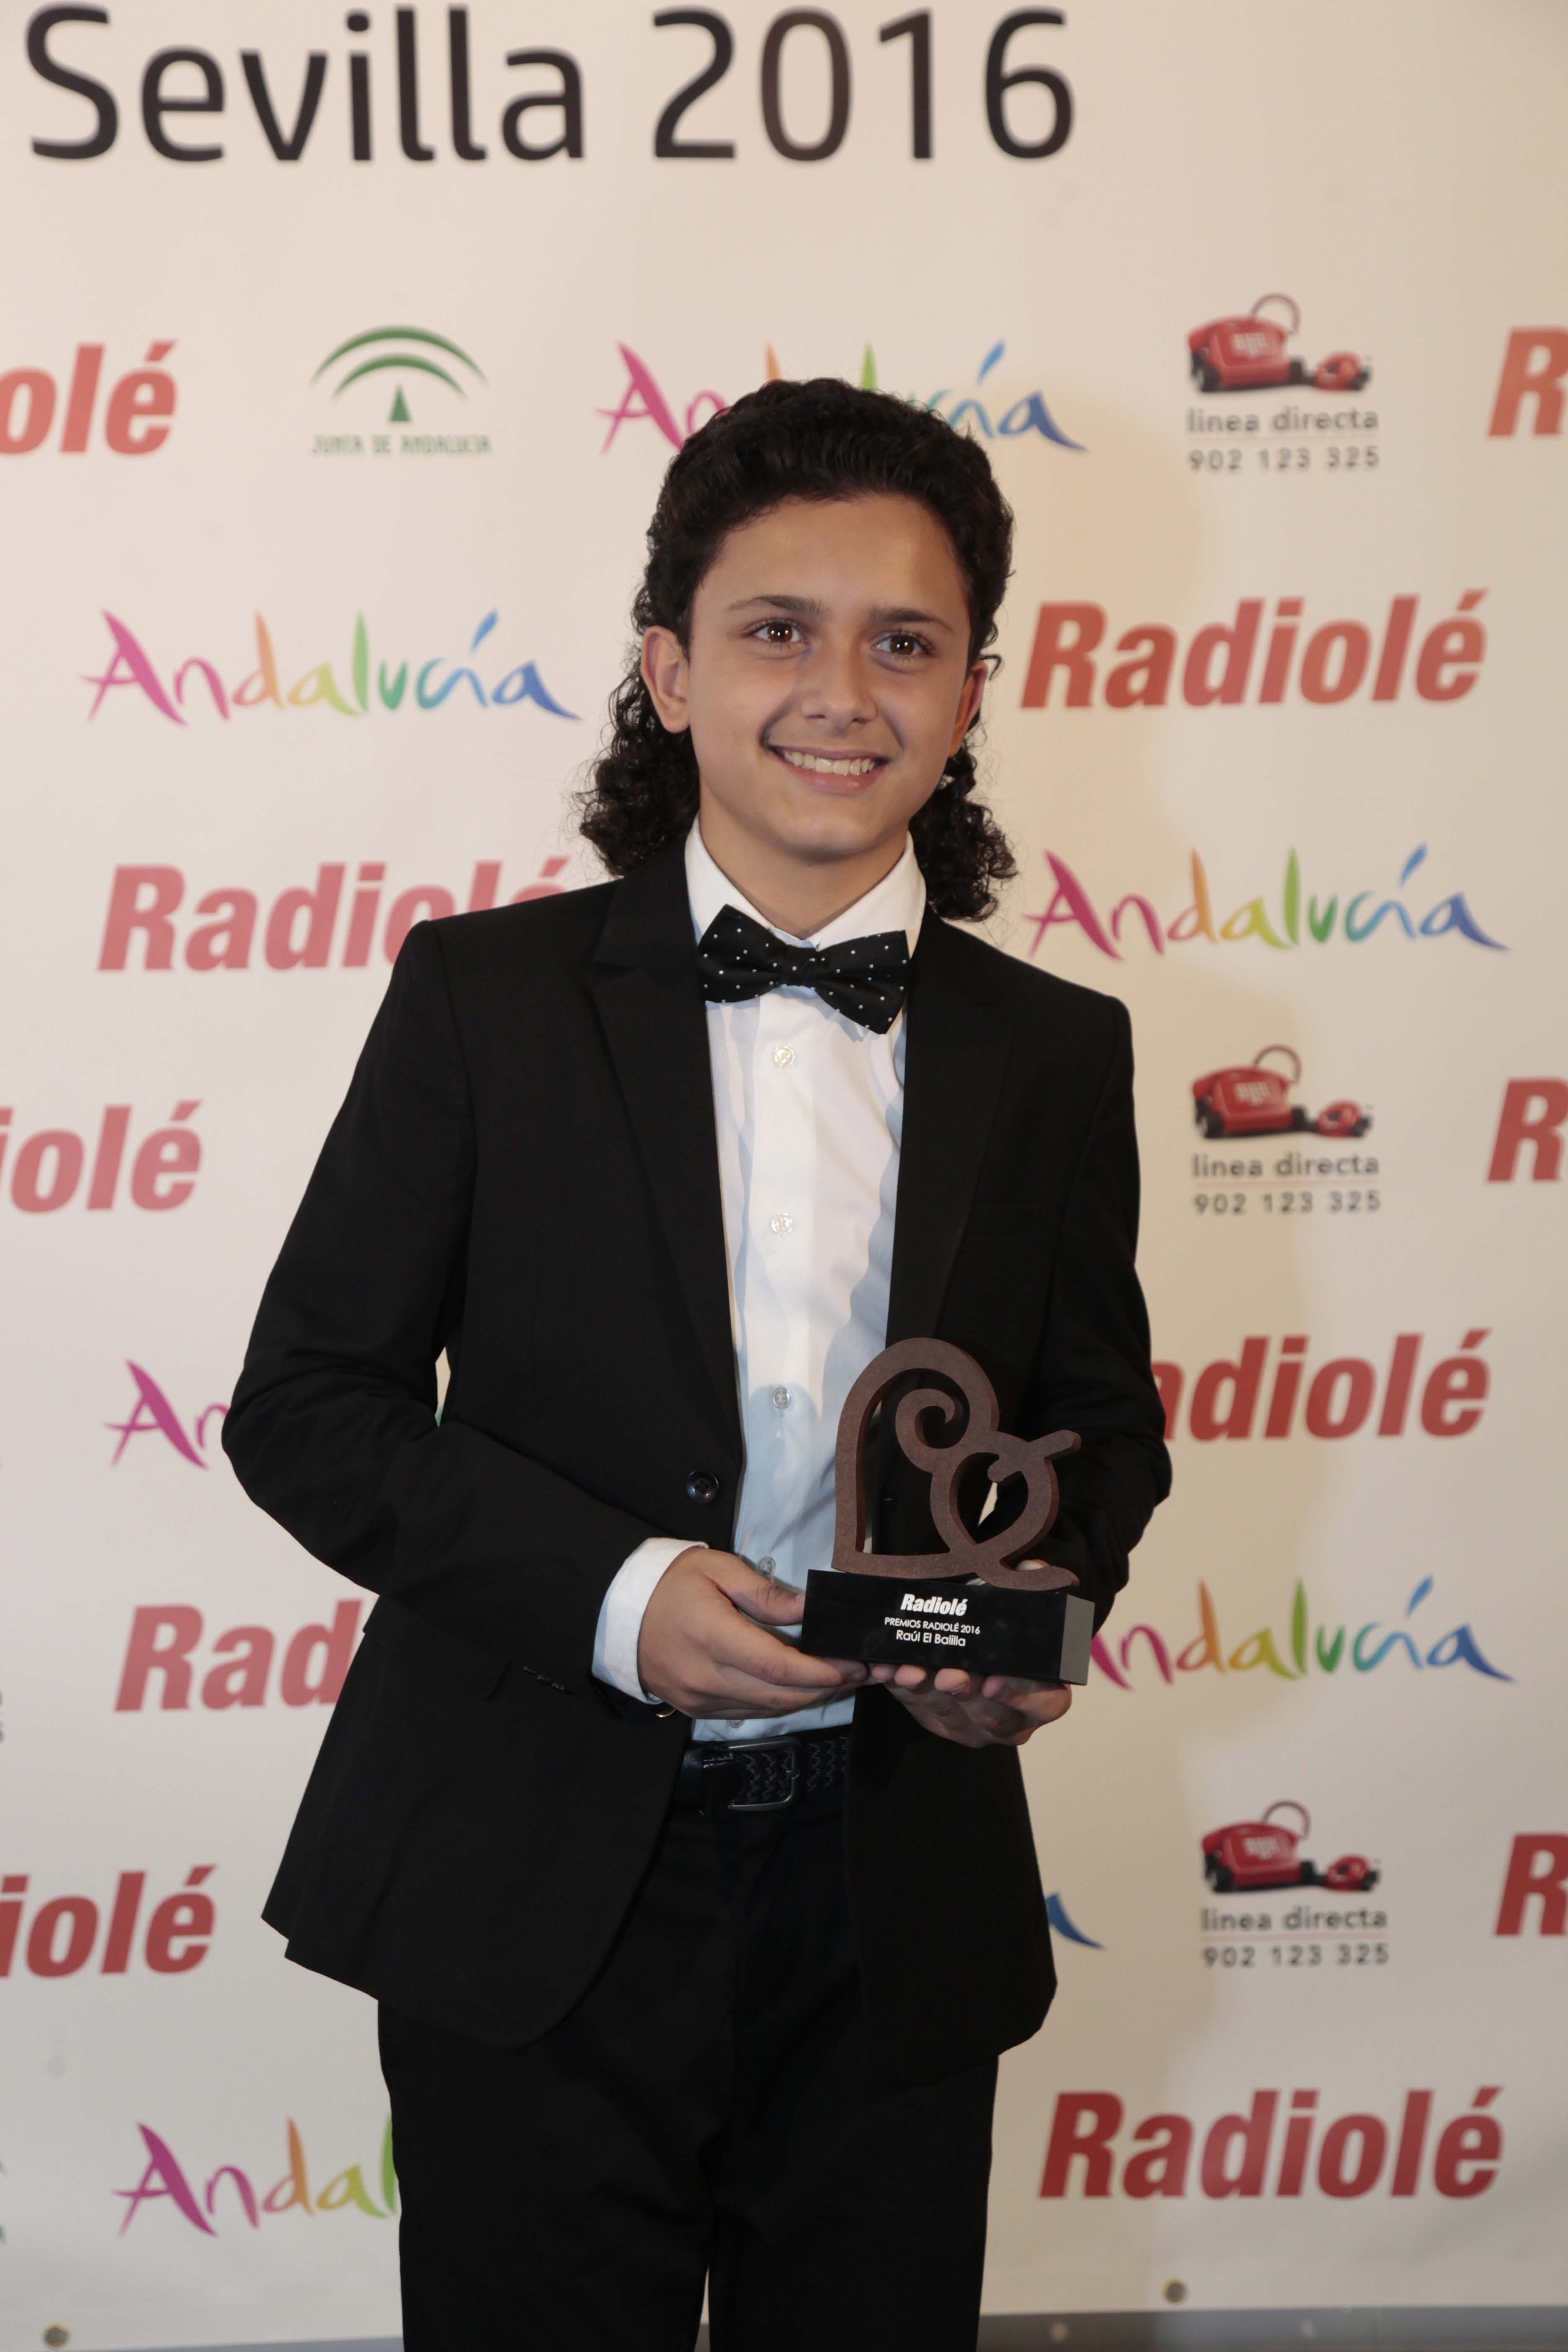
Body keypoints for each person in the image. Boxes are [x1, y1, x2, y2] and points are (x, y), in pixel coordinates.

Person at [223, 377, 1170, 2350]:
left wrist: (1028, 1622)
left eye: (904, 643)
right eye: (777, 631)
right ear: (669, 672)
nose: (842, 692)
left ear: (972, 692)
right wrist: (620, 1596)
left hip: (894, 1893)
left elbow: (1098, 1431)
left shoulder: (1057, 1050)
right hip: (531, 1878)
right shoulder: (485, 1000)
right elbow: (310, 1407)